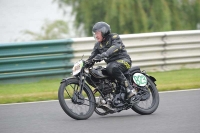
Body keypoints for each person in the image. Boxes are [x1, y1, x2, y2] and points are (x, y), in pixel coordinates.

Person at [87, 21, 137, 99]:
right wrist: (85, 64)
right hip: (112, 65)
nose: (96, 36)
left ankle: (129, 89)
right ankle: (107, 93)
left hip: (124, 61)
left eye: (97, 33)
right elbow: (91, 57)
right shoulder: (97, 45)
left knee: (111, 67)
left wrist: (104, 54)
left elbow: (116, 47)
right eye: (95, 34)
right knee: (96, 73)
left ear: (104, 31)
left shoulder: (114, 37)